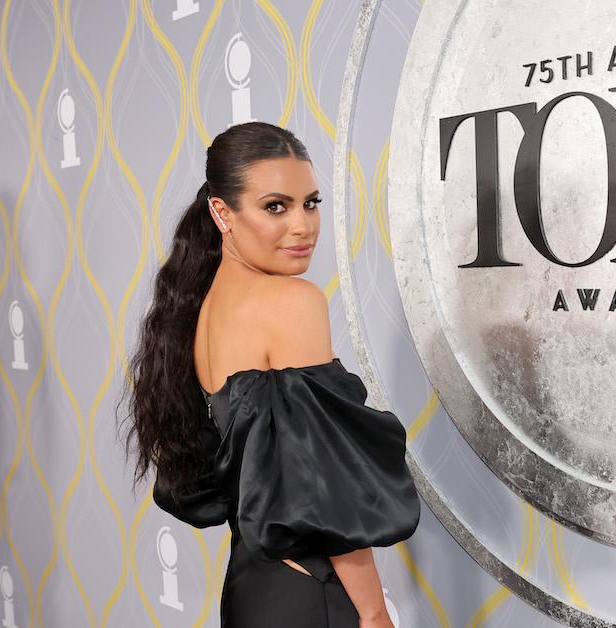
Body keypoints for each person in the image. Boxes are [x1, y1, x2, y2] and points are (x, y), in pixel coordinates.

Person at [119, 121, 420, 627]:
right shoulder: (291, 302)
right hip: (312, 591)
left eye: (311, 203)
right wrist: (372, 611)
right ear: (222, 212)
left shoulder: (202, 309)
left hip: (252, 587)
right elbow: (325, 484)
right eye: (275, 206)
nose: (302, 226)